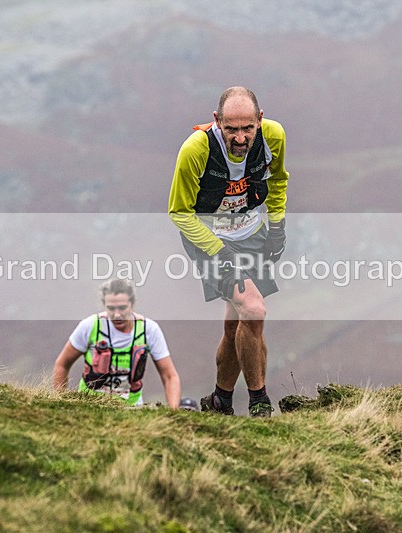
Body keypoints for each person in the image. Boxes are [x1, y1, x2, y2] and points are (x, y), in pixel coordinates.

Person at [168, 86, 289, 418]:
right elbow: (179, 213)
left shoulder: (273, 136)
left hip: (251, 233)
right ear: (216, 120)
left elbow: (277, 180)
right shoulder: (196, 149)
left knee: (238, 322)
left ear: (260, 119)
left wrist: (277, 226)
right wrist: (220, 253)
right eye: (231, 129)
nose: (240, 138)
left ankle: (220, 400)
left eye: (248, 128)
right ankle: (260, 404)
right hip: (207, 237)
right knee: (253, 308)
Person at [53, 278, 181, 409]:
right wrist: (61, 404)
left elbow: (170, 376)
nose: (117, 315)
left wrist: (173, 412)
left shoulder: (149, 329)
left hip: (132, 409)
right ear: (104, 305)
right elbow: (62, 364)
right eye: (111, 308)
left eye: (122, 308)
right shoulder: (90, 326)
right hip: (89, 406)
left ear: (132, 304)